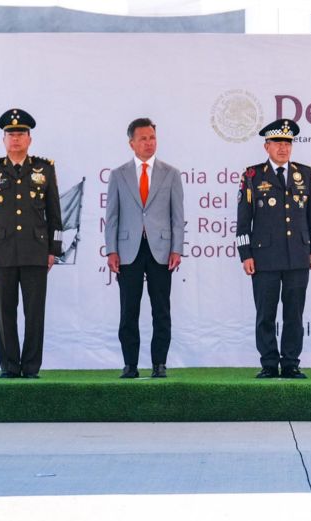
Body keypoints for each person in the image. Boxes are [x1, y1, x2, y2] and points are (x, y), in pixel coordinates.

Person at [0, 109, 63, 379]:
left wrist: (53, 251)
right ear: (3, 139)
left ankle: (31, 367)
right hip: (1, 253)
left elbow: (55, 214)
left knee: (35, 314)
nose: (16, 139)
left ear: (29, 139)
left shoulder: (44, 169)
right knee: (6, 314)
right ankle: (10, 367)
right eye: (11, 134)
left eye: (21, 134)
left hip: (36, 252)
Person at [235, 119, 311, 379]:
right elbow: (243, 219)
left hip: (298, 255)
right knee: (266, 314)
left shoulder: (304, 173)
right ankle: (269, 363)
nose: (283, 148)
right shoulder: (252, 175)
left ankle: (291, 362)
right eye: (277, 143)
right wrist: (246, 254)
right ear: (267, 147)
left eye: (287, 143)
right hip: (264, 257)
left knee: (294, 313)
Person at [104, 118, 184, 379]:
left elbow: (177, 216)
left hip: (161, 250)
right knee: (129, 310)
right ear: (131, 143)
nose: (149, 143)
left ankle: (159, 363)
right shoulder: (118, 175)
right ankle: (130, 364)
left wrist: (177, 249)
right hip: (128, 251)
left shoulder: (171, 173)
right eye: (143, 139)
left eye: (152, 138)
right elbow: (112, 216)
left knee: (161, 308)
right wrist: (111, 250)